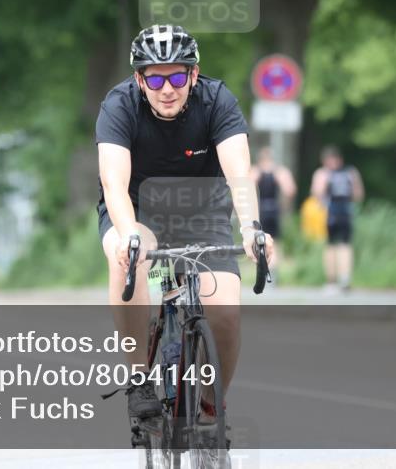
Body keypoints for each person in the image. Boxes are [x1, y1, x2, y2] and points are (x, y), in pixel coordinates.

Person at [95, 24, 275, 446]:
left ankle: (212, 409)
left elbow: (239, 175)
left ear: (194, 75)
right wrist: (127, 234)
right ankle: (140, 380)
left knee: (226, 313)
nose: (167, 88)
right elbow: (113, 184)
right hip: (137, 211)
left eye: (177, 76)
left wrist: (251, 227)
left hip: (202, 212)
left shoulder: (217, 101)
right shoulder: (119, 106)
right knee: (130, 257)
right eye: (155, 79)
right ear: (140, 80)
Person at [310, 146, 364, 293]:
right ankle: (343, 278)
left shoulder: (322, 173)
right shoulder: (350, 172)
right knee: (344, 246)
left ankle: (333, 280)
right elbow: (358, 195)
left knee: (332, 246)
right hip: (346, 212)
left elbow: (316, 193)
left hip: (330, 214)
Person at [249, 146, 296, 283]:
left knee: (259, 242)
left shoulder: (255, 171)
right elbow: (290, 190)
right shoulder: (279, 171)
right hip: (274, 209)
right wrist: (285, 204)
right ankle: (272, 274)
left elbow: (246, 188)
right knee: (275, 242)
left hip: (261, 210)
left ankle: (262, 272)